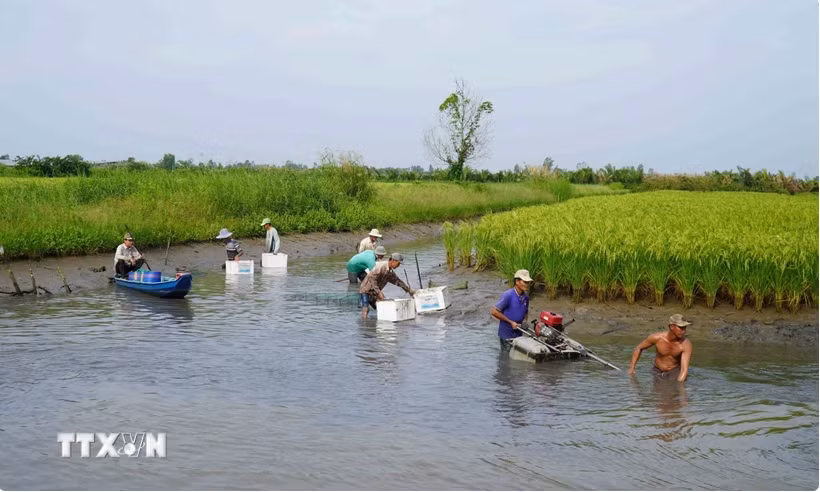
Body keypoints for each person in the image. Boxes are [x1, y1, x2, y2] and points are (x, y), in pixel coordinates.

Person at [627, 314, 693, 382]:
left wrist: (679, 385)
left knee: (675, 385)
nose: (684, 331)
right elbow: (638, 348)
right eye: (681, 327)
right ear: (671, 327)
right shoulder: (657, 338)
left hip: (674, 372)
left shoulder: (686, 344)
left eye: (685, 328)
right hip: (656, 371)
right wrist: (632, 368)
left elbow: (684, 370)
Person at [359, 252, 415, 319]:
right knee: (365, 308)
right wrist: (379, 292)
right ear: (393, 260)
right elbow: (372, 278)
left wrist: (408, 290)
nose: (398, 266)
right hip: (366, 289)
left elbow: (398, 281)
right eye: (398, 264)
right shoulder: (381, 266)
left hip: (374, 291)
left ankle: (381, 322)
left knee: (382, 307)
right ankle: (364, 323)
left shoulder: (390, 272)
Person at [491, 269, 532, 351]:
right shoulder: (508, 295)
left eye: (528, 282)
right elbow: (494, 312)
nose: (527, 284)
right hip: (507, 334)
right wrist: (511, 322)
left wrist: (524, 321)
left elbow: (525, 312)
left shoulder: (526, 297)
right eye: (525, 282)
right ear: (517, 281)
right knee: (506, 355)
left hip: (519, 334)